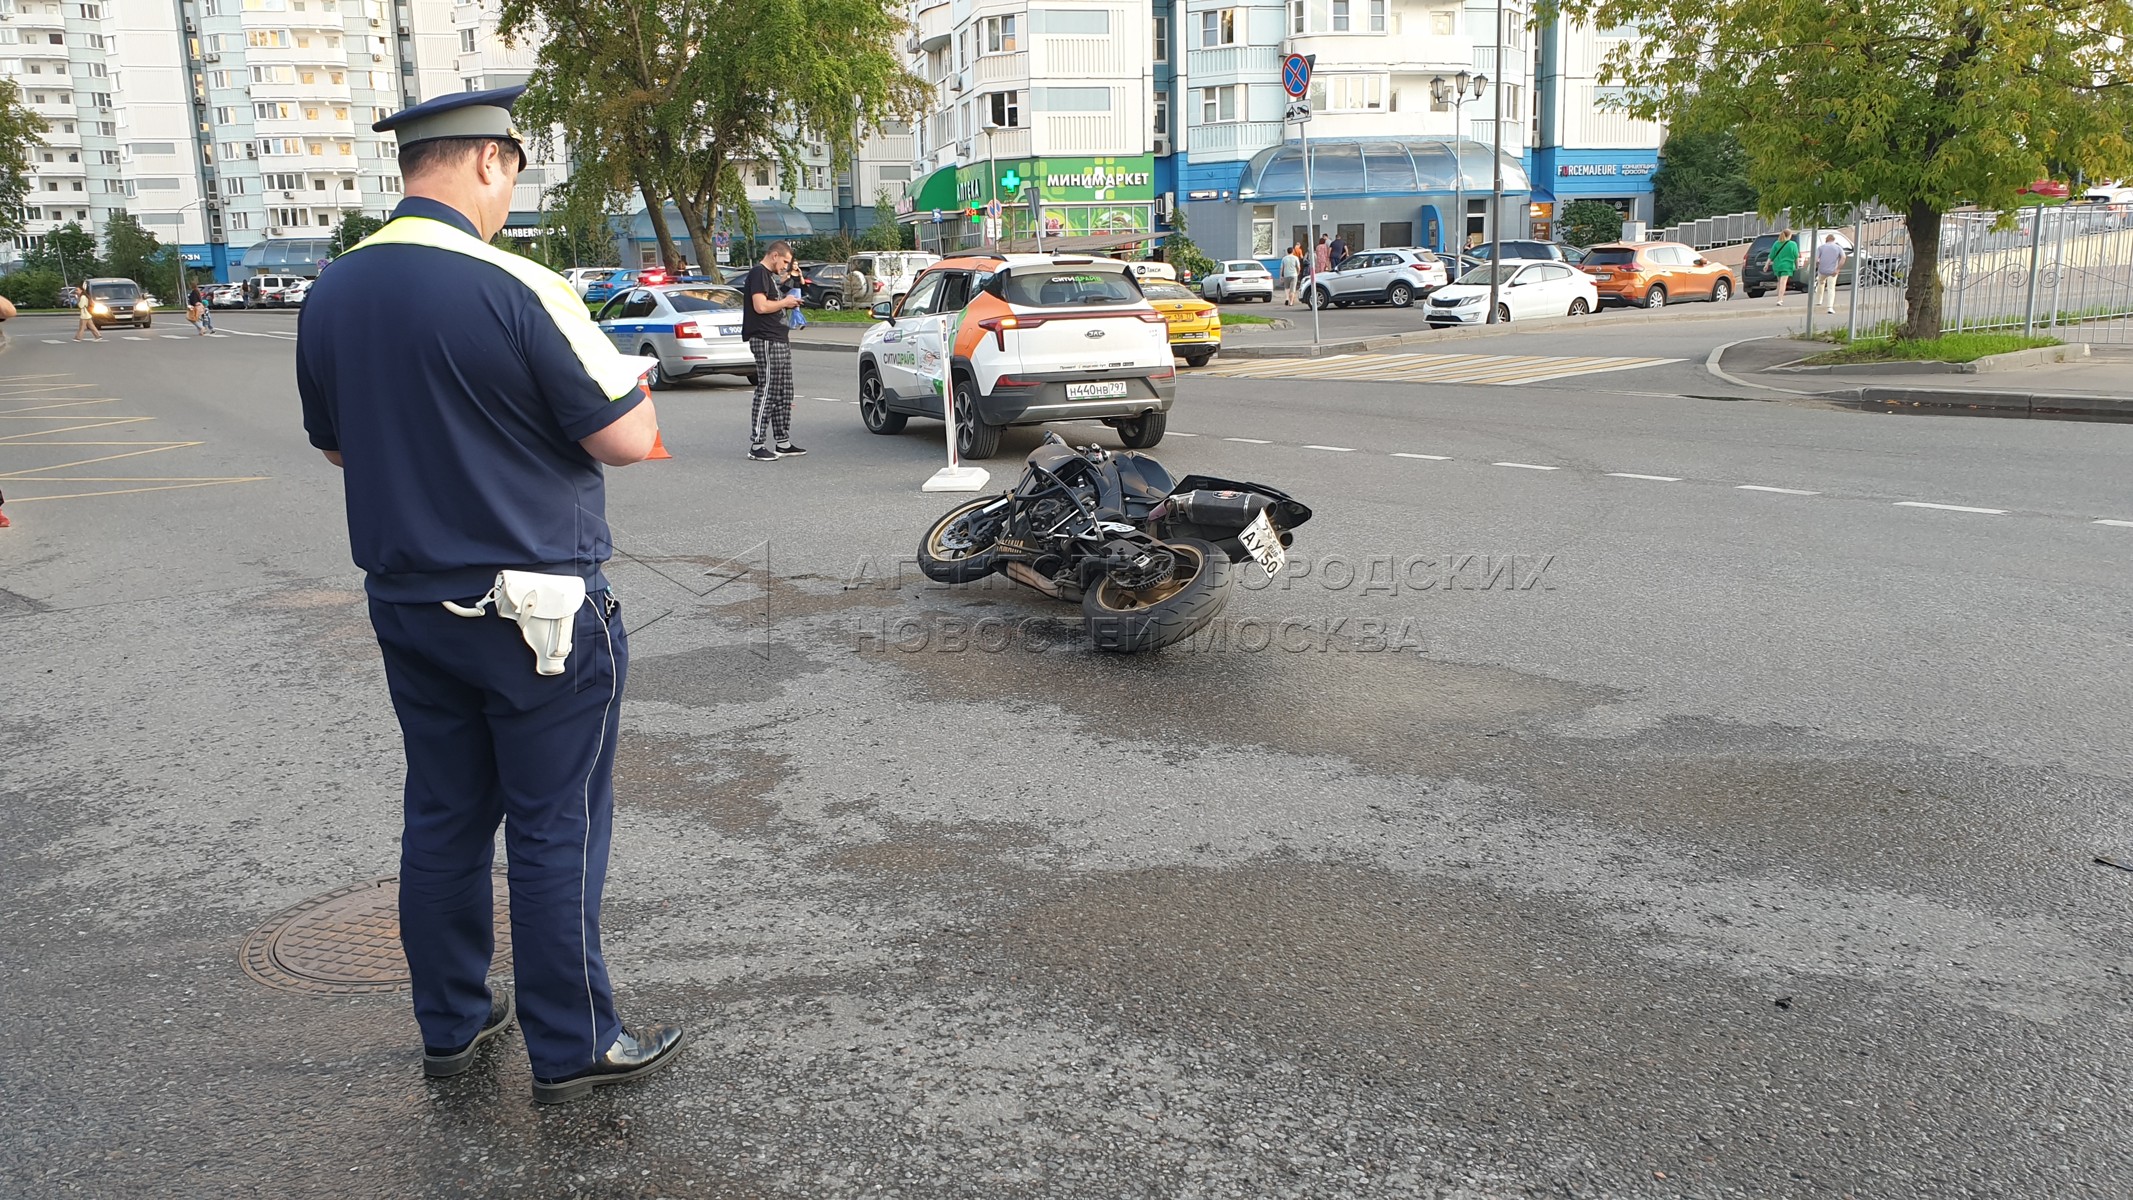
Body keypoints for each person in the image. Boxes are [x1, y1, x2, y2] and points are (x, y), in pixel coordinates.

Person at [294, 85, 686, 1106]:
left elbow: (339, 444)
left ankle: (454, 1026)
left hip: (411, 601)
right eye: (513, 173)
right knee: (556, 824)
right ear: (487, 163)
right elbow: (628, 439)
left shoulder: (333, 292)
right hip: (539, 611)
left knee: (444, 814)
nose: (510, 195)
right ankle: (575, 1041)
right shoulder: (518, 284)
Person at [742, 240, 805, 462]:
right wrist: (785, 302)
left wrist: (791, 290)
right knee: (768, 389)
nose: (785, 267)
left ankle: (782, 441)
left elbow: (776, 297)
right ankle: (757, 444)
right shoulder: (759, 273)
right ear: (775, 255)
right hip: (766, 338)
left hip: (778, 338)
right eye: (785, 262)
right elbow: (760, 306)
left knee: (784, 391)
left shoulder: (769, 277)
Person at [1814, 233, 1847, 314]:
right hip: (1833, 271)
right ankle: (1830, 307)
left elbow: (1816, 259)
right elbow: (1843, 257)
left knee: (1821, 283)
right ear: (1833, 240)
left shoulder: (1821, 247)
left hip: (1822, 270)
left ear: (1826, 239)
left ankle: (1819, 300)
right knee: (1831, 288)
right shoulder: (1838, 248)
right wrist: (1838, 269)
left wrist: (1819, 265)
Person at [1770, 230, 1800, 306]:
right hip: (1787, 265)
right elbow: (1796, 256)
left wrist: (1766, 265)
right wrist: (1797, 266)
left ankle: (1779, 298)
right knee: (1783, 282)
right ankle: (1780, 299)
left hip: (1777, 265)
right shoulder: (1793, 244)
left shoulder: (1776, 243)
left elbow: (1771, 256)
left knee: (1779, 281)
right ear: (1789, 235)